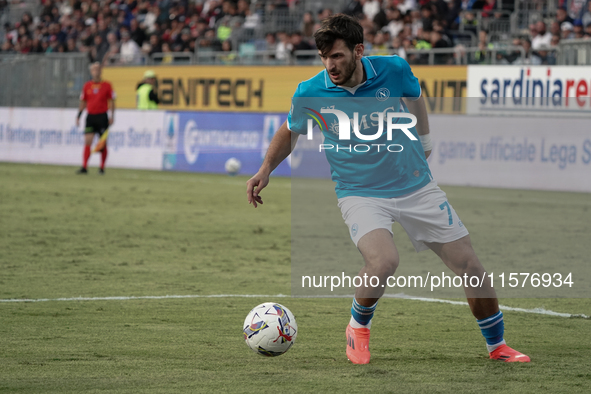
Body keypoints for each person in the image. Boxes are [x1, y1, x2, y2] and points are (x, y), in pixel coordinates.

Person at [246, 14, 530, 365]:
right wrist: (265, 169)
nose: (330, 65)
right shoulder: (310, 92)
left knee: (471, 266)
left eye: (337, 56)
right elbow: (290, 130)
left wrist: (425, 142)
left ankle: (497, 346)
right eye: (324, 57)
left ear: (358, 50)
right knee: (384, 261)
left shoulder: (393, 69)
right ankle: (357, 328)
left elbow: (415, 95)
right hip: (360, 192)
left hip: (416, 186)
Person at [76, 62, 115, 174]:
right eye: (94, 69)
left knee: (102, 143)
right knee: (88, 141)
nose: (96, 71)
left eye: (98, 69)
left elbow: (111, 101)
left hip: (102, 116)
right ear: (91, 72)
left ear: (101, 71)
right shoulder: (87, 85)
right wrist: (79, 115)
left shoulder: (107, 85)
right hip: (91, 116)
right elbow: (83, 102)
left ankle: (102, 167)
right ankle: (84, 166)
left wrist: (112, 116)